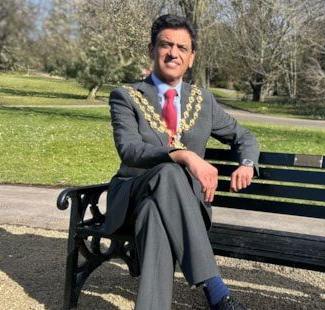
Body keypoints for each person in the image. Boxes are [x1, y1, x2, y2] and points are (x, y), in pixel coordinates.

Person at [104, 14, 259, 310]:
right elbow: (130, 150)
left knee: (156, 214)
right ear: (152, 50)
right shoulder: (126, 97)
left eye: (181, 48)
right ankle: (216, 291)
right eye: (165, 45)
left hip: (182, 207)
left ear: (191, 58)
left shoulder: (203, 101)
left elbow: (245, 136)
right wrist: (184, 155)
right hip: (131, 199)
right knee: (167, 172)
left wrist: (247, 163)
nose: (173, 53)